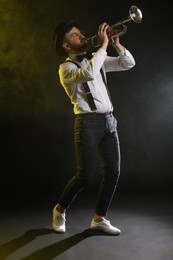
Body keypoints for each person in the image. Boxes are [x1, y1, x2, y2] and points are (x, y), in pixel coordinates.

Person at [52, 20, 135, 235]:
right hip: (87, 123)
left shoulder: (95, 60)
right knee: (85, 175)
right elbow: (88, 73)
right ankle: (60, 209)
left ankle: (99, 218)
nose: (81, 36)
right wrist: (103, 45)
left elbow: (128, 64)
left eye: (80, 32)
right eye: (74, 35)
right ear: (66, 46)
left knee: (113, 172)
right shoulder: (66, 69)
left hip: (109, 121)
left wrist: (116, 44)